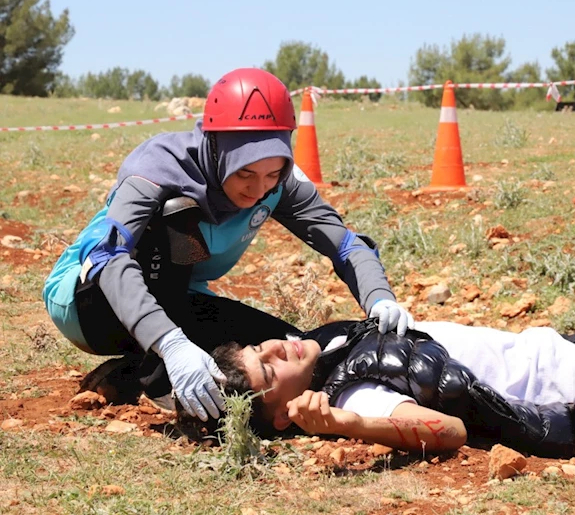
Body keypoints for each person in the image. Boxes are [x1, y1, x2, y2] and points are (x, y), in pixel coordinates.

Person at [42, 68, 414, 423]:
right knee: (176, 211)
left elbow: (345, 244)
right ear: (217, 148)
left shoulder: (280, 180)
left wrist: (379, 299)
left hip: (179, 302)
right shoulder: (158, 167)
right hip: (88, 305)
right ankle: (159, 377)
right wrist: (169, 342)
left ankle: (133, 365)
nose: (257, 191)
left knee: (289, 349)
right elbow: (106, 256)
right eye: (245, 174)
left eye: (272, 174)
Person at [208, 276, 575, 485]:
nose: (279, 345)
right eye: (271, 365)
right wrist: (345, 424)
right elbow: (446, 431)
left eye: (263, 346)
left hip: (572, 351)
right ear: (285, 412)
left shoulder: (332, 342)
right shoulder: (354, 394)